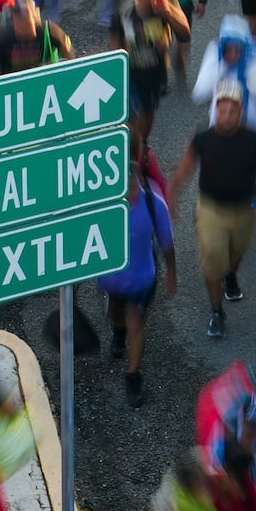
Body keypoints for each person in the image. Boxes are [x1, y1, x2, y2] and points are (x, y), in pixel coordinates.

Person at [168, 81, 256, 339]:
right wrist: (171, 197)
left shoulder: (254, 139)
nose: (226, 116)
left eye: (232, 111)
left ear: (241, 112)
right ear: (215, 110)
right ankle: (217, 311)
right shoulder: (202, 138)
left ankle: (231, 274)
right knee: (212, 263)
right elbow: (184, 169)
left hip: (245, 209)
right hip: (211, 209)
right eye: (221, 110)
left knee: (237, 251)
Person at [97, 140, 177, 406]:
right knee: (116, 314)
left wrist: (171, 273)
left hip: (142, 279)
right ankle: (117, 333)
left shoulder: (155, 205)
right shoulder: (103, 205)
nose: (126, 192)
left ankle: (133, 377)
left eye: (130, 186)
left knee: (136, 320)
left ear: (137, 181)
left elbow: (166, 243)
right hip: (111, 281)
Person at [0, 0, 74, 76]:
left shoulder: (50, 31)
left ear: (35, 16)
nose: (23, 24)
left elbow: (70, 56)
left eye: (28, 23)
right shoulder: (0, 39)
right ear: (12, 19)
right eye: (19, 19)